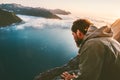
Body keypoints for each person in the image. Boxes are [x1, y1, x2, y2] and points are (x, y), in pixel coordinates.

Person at [34, 19, 120, 80]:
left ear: (79, 33)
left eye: (73, 34)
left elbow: (88, 78)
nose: (73, 37)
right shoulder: (108, 39)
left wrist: (71, 79)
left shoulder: (92, 45)